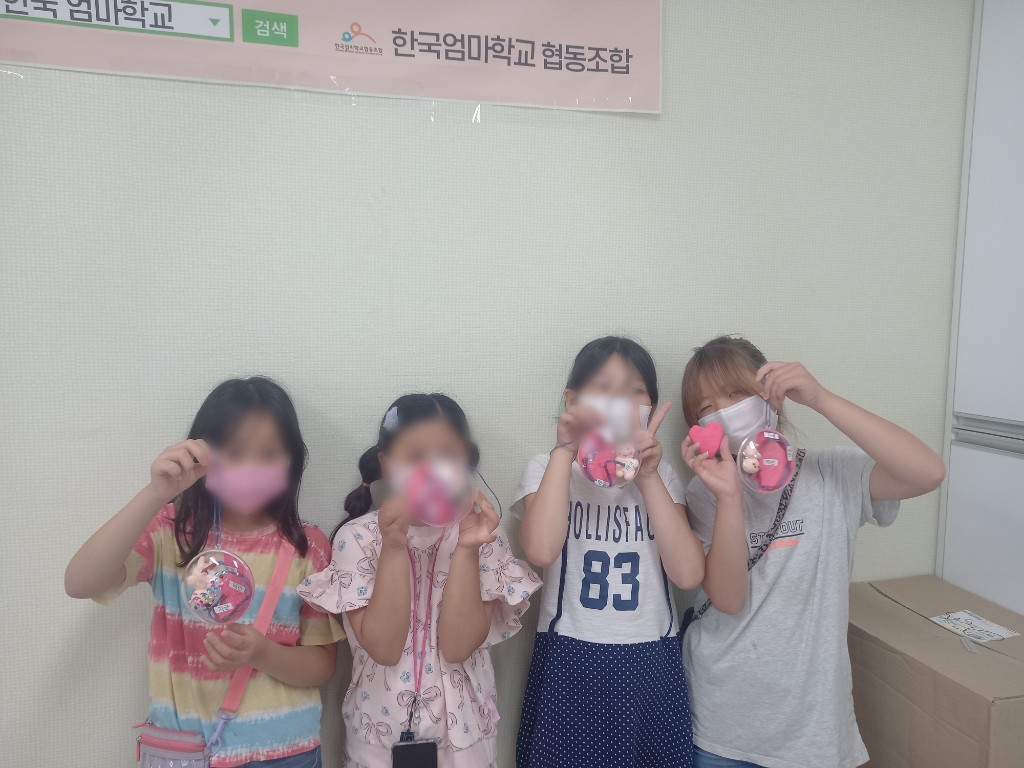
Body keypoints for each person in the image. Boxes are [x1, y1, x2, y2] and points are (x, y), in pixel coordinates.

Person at [679, 336, 946, 768]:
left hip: (813, 729)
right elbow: (727, 599)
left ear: (771, 394)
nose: (724, 412)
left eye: (735, 394)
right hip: (722, 723)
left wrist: (821, 398)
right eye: (706, 408)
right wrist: (728, 495)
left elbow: (928, 472)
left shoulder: (831, 473)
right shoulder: (703, 493)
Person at [65, 377, 342, 767]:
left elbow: (323, 665)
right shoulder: (170, 531)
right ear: (201, 454)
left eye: (269, 454)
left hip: (285, 751)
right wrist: (156, 493)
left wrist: (264, 654)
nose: (250, 467)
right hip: (185, 751)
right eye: (234, 451)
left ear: (292, 461)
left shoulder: (307, 545)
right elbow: (80, 582)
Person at [300, 393, 540, 768]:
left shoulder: (484, 537)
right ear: (386, 465)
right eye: (414, 456)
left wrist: (467, 548)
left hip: (466, 740)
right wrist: (393, 547)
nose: (432, 470)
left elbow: (458, 647)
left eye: (447, 456)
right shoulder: (358, 538)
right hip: (378, 739)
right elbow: (384, 649)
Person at [515, 336, 705, 768]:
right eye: (604, 388)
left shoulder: (662, 476)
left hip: (651, 657)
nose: (619, 401)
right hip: (568, 654)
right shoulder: (547, 468)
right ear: (572, 400)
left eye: (635, 391)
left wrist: (648, 477)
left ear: (651, 409)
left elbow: (689, 574)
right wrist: (565, 450)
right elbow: (540, 550)